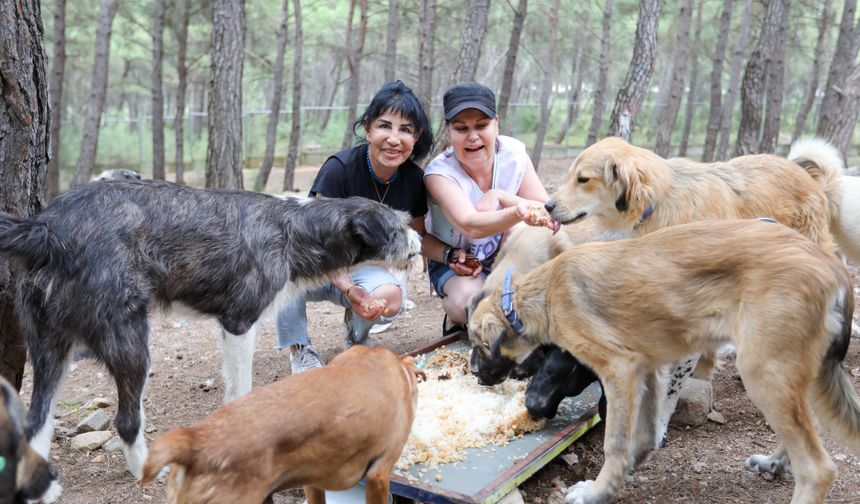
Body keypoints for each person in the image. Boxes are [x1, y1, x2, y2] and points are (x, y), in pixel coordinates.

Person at [275, 80, 433, 374]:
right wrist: (350, 290)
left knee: (392, 296)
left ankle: (356, 339)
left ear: (416, 136)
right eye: (385, 126)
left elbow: (419, 237)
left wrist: (451, 257)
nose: (394, 139)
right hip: (315, 264)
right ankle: (300, 349)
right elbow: (315, 243)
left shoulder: (413, 179)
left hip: (361, 267)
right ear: (368, 128)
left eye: (406, 130)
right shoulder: (339, 169)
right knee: (283, 269)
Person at [423, 82, 556, 337]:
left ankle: (508, 304)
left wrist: (501, 196)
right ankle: (459, 320)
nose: (472, 136)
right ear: (449, 131)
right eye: (461, 129)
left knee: (524, 228)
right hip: (456, 261)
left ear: (497, 122)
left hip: (506, 256)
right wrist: (518, 210)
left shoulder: (514, 154)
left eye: (481, 126)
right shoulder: (438, 173)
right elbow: (469, 223)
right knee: (466, 304)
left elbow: (544, 209)